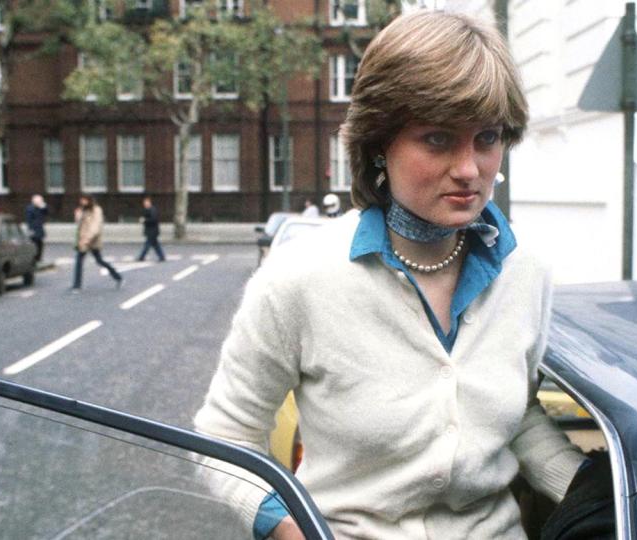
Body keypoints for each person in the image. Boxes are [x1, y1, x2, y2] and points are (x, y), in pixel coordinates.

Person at [193, 11, 587, 540]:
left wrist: (600, 498)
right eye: (437, 139)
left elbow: (516, 419)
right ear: (379, 144)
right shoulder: (298, 278)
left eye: (487, 138)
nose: (469, 168)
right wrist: (288, 530)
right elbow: (225, 435)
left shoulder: (526, 274)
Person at [71, 195, 122, 291]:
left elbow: (96, 226)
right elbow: (79, 225)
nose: (82, 202)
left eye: (84, 200)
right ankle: (76, 285)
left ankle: (117, 276)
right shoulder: (83, 210)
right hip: (83, 240)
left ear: (89, 200)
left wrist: (88, 238)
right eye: (81, 200)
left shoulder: (96, 210)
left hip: (92, 241)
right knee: (79, 261)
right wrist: (77, 216)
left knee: (100, 261)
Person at [136, 196, 166, 262]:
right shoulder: (148, 210)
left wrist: (144, 220)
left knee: (147, 245)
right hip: (151, 230)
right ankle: (162, 257)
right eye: (144, 203)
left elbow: (154, 219)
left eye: (146, 203)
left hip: (152, 231)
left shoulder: (152, 210)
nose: (145, 204)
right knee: (156, 245)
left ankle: (141, 257)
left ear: (149, 203)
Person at [24, 194, 48, 263]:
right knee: (34, 244)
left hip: (39, 229)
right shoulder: (30, 208)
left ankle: (38, 258)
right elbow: (29, 220)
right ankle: (34, 258)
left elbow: (46, 212)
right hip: (34, 229)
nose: (41, 202)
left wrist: (43, 207)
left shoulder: (40, 208)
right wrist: (31, 230)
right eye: (40, 201)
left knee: (40, 244)